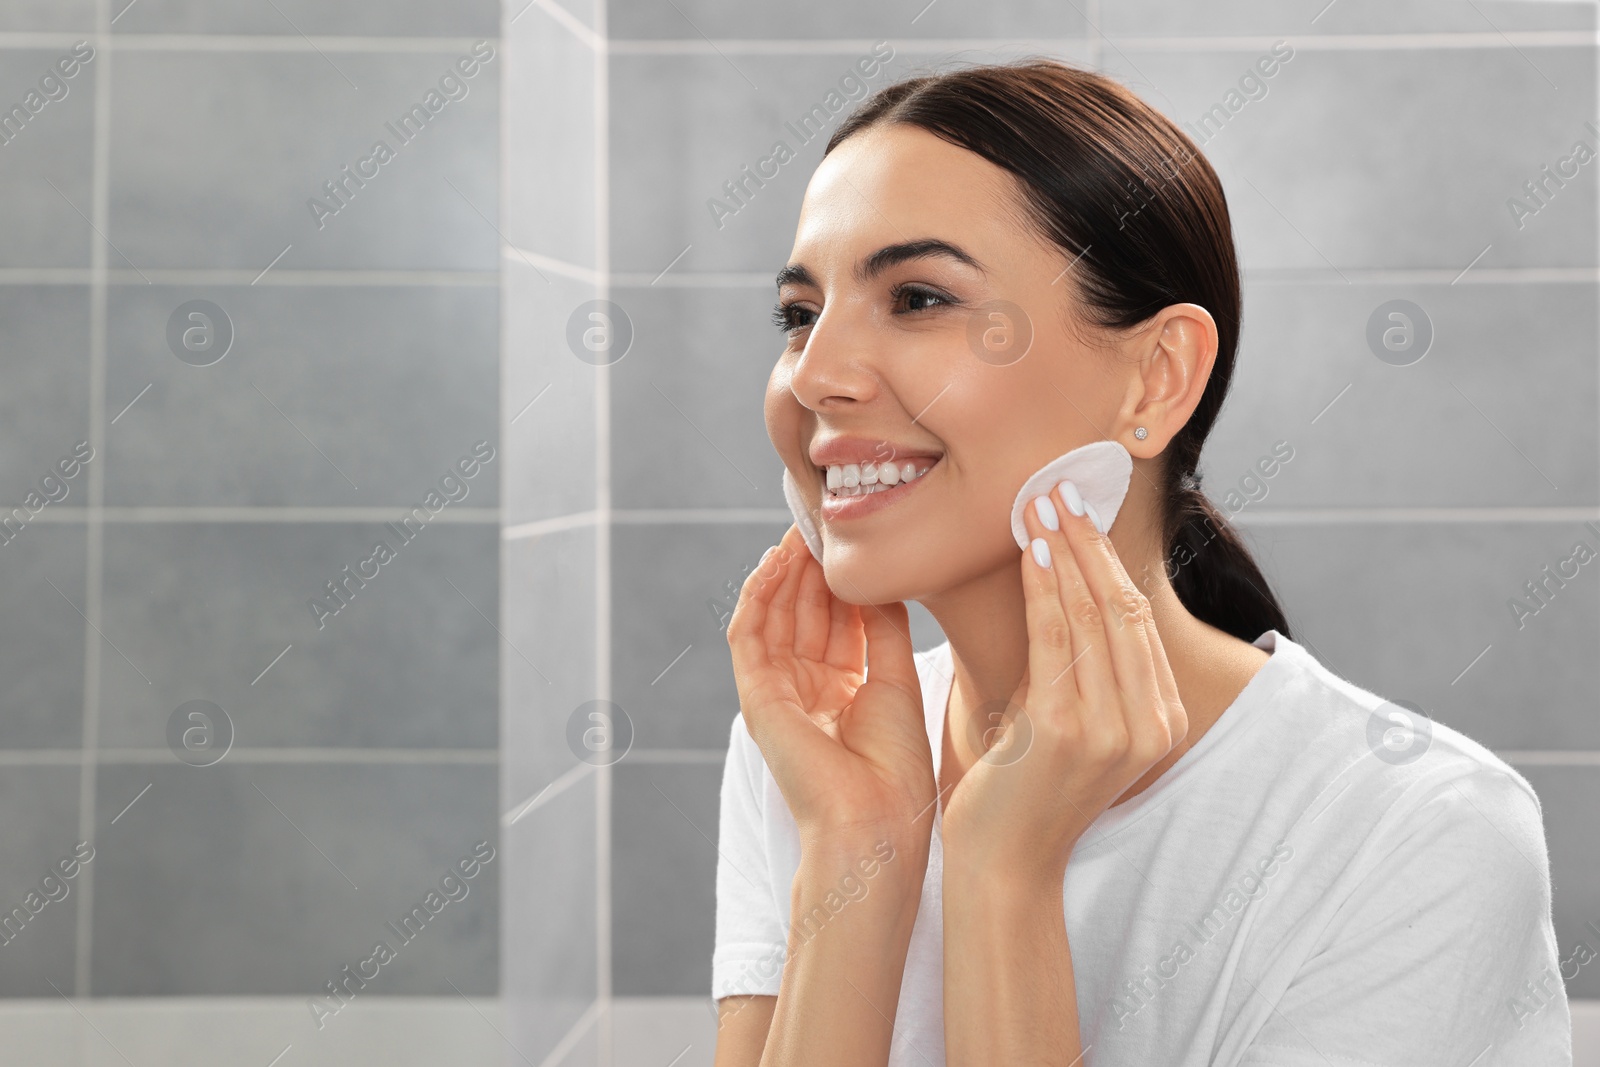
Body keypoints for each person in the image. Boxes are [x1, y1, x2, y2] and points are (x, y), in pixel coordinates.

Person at [710, 58, 1570, 1066]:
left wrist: (1006, 877)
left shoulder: (1418, 836)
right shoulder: (820, 757)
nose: (814, 376)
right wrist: (861, 849)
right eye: (799, 314)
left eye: (918, 297)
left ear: (1155, 379)